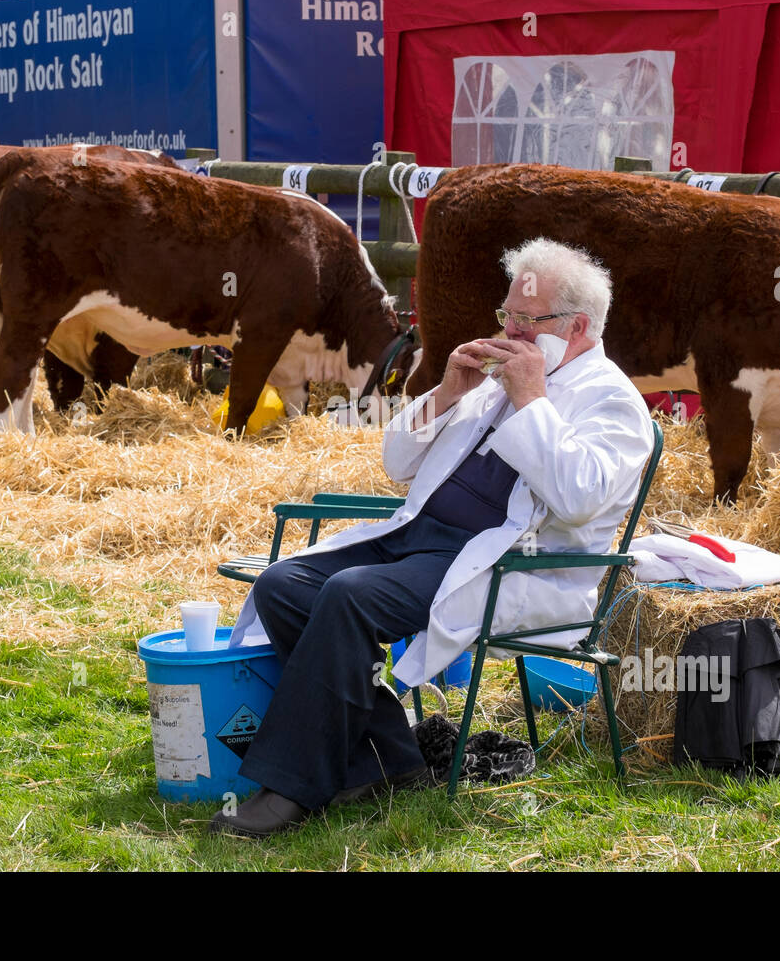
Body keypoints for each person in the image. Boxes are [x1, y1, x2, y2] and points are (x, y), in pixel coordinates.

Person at [211, 237, 655, 837]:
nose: (513, 331)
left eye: (529, 320)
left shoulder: (612, 400)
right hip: (424, 535)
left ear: (576, 326)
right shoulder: (501, 378)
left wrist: (530, 400)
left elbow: (578, 501)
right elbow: (398, 463)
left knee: (348, 595)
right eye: (508, 316)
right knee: (284, 583)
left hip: (506, 564)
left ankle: (289, 788)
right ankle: (387, 759)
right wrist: (448, 393)